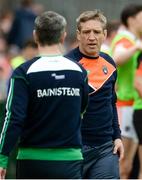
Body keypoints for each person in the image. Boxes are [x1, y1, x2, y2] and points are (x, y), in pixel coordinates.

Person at [0, 11, 88, 179]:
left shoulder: (23, 72)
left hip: (32, 161)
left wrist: (2, 157)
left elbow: (13, 118)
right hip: (70, 161)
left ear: (35, 36)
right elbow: (82, 109)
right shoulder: (80, 72)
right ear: (63, 36)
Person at [65, 10, 124, 179]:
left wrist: (117, 137)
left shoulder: (110, 63)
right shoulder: (66, 64)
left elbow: (111, 103)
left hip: (105, 148)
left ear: (104, 34)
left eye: (97, 32)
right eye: (86, 32)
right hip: (73, 149)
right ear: (78, 34)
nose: (92, 37)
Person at [110, 4, 142, 178]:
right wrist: (136, 48)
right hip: (125, 106)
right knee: (124, 163)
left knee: (130, 164)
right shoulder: (125, 39)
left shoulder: (135, 39)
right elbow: (116, 58)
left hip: (135, 105)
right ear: (131, 20)